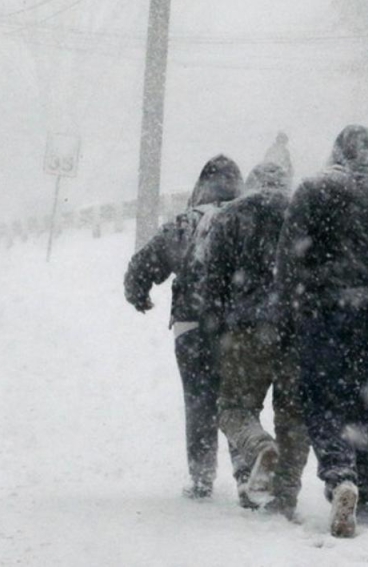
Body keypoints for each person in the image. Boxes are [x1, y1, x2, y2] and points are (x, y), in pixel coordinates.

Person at [276, 125, 368, 538]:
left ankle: (340, 475)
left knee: (323, 399)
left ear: (336, 151)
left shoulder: (312, 191)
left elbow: (289, 261)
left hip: (323, 315)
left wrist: (287, 317)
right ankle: (367, 496)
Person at [124, 155, 244, 499]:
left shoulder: (185, 224)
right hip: (240, 327)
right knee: (239, 400)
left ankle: (202, 476)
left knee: (199, 400)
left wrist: (139, 294)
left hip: (191, 327)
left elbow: (143, 265)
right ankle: (247, 473)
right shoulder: (246, 219)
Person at [198, 162, 309, 518]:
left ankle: (258, 445)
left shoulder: (231, 216)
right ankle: (286, 496)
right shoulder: (302, 215)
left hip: (245, 332)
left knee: (233, 408)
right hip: (296, 332)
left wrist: (216, 328)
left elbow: (212, 280)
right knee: (293, 418)